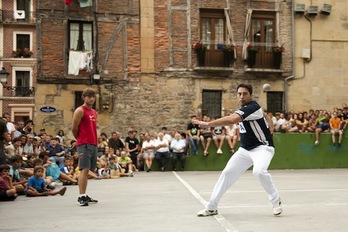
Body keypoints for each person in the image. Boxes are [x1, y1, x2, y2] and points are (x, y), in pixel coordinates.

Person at [193, 83, 282, 217]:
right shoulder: (249, 108)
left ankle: (276, 201)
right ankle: (211, 207)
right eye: (239, 94)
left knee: (258, 172)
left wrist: (208, 124)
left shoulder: (252, 107)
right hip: (245, 150)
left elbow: (232, 119)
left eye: (245, 94)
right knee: (227, 173)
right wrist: (269, 120)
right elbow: (262, 113)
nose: (241, 96)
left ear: (250, 95)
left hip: (263, 148)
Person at [72, 87, 99, 206]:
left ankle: (84, 194)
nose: (91, 99)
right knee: (84, 169)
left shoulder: (94, 112)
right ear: (84, 97)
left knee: (88, 170)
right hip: (84, 143)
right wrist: (79, 140)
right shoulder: (80, 110)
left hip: (93, 143)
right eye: (89, 96)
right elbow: (74, 128)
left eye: (93, 96)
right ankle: (81, 197)